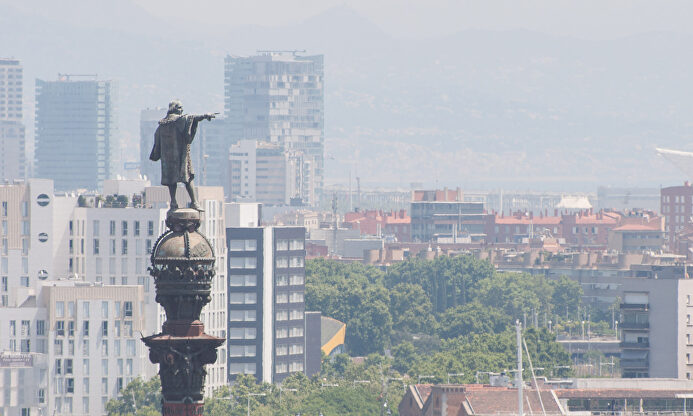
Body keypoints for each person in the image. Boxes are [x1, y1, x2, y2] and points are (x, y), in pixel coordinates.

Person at [149, 100, 215, 211]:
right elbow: (192, 118)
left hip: (168, 159)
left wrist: (156, 153)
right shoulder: (178, 120)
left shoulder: (162, 125)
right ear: (174, 109)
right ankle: (194, 202)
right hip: (180, 157)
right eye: (180, 107)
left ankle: (174, 203)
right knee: (188, 178)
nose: (182, 110)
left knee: (171, 181)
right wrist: (204, 116)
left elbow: (156, 142)